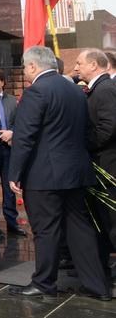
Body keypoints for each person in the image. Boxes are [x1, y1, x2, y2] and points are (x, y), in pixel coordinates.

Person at [8, 45, 110, 300]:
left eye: (25, 67)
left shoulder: (36, 92)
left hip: (44, 176)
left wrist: (15, 172)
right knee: (80, 228)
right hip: (76, 172)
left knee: (46, 230)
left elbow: (24, 137)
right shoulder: (75, 90)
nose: (25, 71)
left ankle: (44, 283)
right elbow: (86, 131)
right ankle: (98, 286)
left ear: (33, 66)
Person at [74, 48, 116, 278]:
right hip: (100, 164)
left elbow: (108, 127)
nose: (76, 67)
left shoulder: (105, 89)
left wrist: (85, 145)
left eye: (79, 63)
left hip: (107, 166)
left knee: (111, 221)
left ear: (94, 65)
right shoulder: (98, 88)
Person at [0, 68, 26, 238]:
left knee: (10, 188)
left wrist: (12, 133)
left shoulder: (12, 101)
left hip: (9, 148)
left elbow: (20, 122)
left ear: (2, 82)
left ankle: (12, 223)